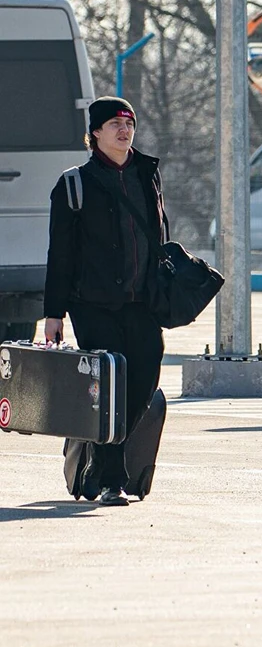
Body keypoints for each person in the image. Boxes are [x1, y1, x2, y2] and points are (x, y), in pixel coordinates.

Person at [43, 97, 167, 507]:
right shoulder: (74, 184)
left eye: (129, 122)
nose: (123, 130)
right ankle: (113, 478)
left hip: (141, 301)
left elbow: (159, 235)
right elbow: (59, 254)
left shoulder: (147, 174)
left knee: (145, 372)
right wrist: (53, 313)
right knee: (110, 384)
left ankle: (94, 443)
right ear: (94, 133)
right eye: (114, 123)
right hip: (92, 302)